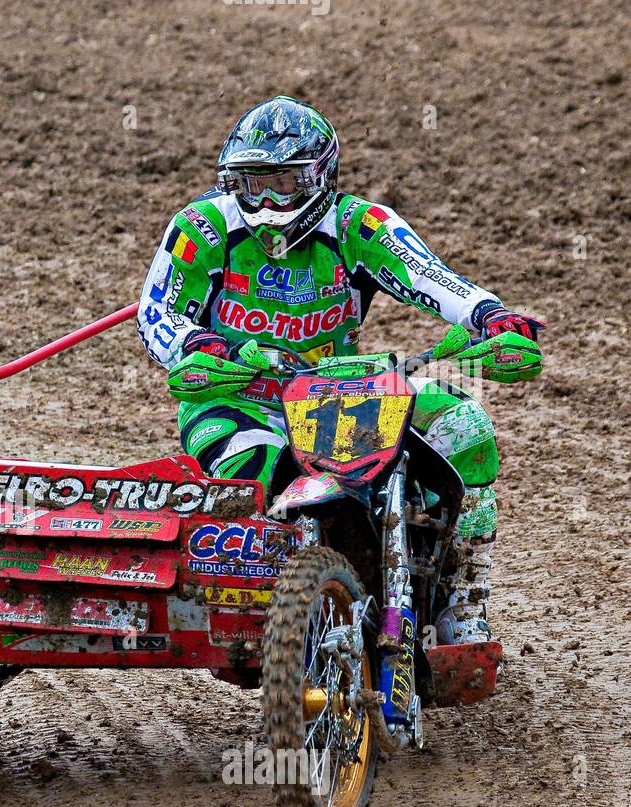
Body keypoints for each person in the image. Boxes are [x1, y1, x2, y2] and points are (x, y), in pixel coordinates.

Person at [137, 95, 544, 644]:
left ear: (321, 175)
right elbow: (157, 312)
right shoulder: (201, 228)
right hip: (232, 395)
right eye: (253, 183)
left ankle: (461, 597)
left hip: (340, 390)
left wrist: (489, 315)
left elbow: (431, 278)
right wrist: (200, 345)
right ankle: (260, 605)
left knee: (464, 428)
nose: (270, 201)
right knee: (251, 473)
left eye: (286, 181)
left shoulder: (360, 224)